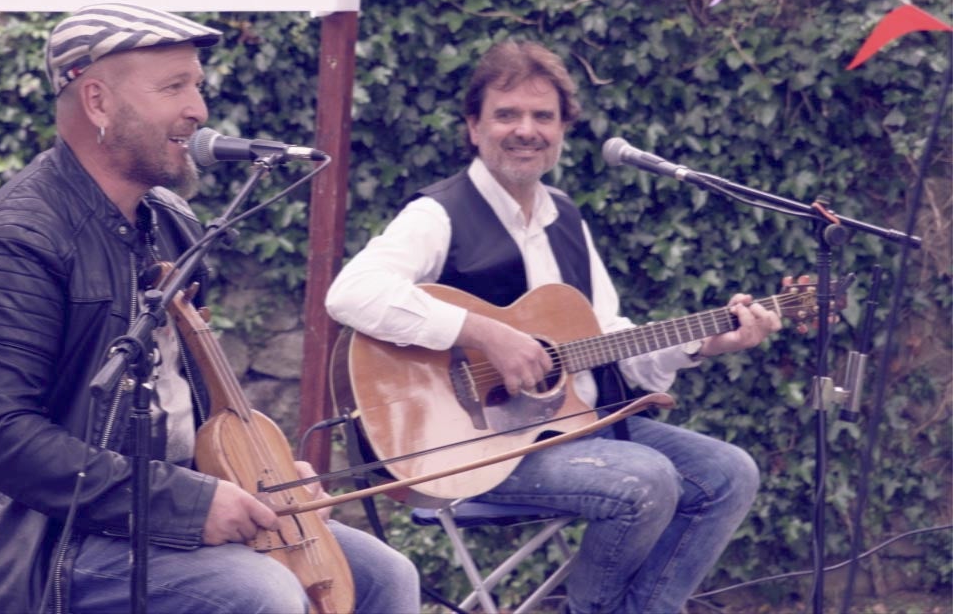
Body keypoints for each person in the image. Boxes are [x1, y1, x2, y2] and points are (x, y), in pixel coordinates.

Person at [0, 3, 419, 614]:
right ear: (97, 102)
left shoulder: (171, 224)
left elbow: (185, 406)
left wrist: (263, 478)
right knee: (260, 593)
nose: (198, 110)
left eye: (196, 85)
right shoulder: (16, 242)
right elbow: (1, 439)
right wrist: (191, 504)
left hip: (158, 508)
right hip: (39, 539)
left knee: (386, 576)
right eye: (173, 87)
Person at [325, 39, 781, 614]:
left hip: (576, 429)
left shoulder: (565, 217)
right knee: (646, 481)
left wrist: (707, 343)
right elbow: (351, 293)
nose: (526, 130)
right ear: (473, 126)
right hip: (475, 449)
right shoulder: (438, 213)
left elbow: (609, 343)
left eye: (544, 116)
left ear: (563, 128)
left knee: (728, 473)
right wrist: (485, 333)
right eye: (507, 114)